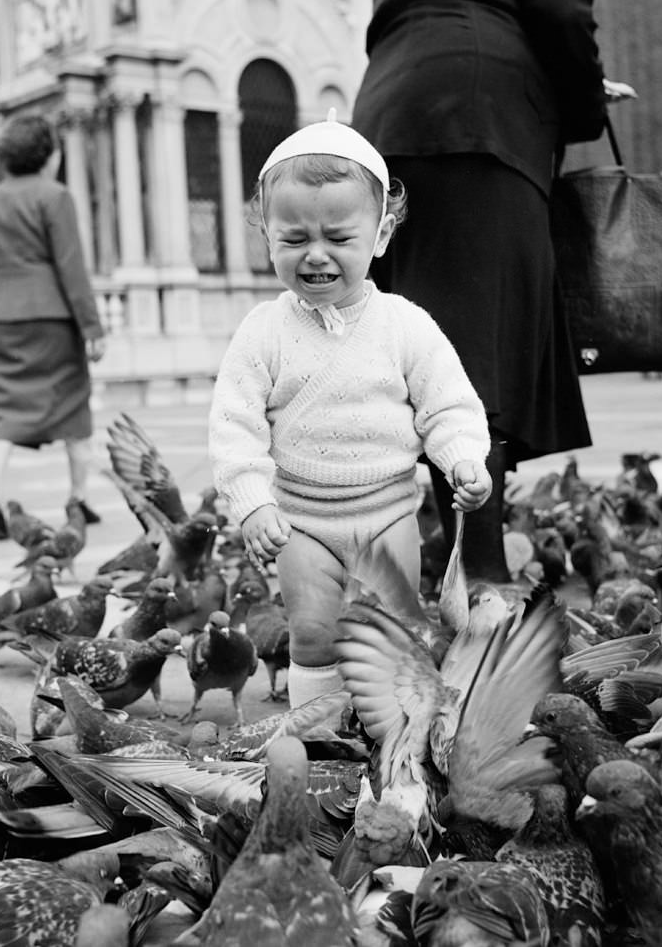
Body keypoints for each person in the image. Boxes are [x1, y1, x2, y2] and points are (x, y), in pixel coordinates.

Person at [208, 114, 492, 708]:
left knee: (390, 631)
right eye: (293, 240)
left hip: (387, 513)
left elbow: (447, 401)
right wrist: (251, 500)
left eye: (338, 239)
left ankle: (386, 723)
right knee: (312, 634)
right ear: (266, 234)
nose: (316, 256)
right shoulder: (263, 332)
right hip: (301, 520)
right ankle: (316, 724)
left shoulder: (404, 324)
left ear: (382, 234)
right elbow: (235, 424)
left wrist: (464, 459)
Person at [351, 0, 608, 583]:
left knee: (435, 359)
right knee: (475, 366)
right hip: (478, 118)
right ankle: (484, 584)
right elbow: (558, 9)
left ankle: (464, 559)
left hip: (389, 123)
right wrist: (585, 103)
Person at [0, 114, 106, 540]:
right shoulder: (55, 196)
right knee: (72, 407)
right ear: (49, 155)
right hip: (54, 318)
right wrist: (92, 327)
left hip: (3, 317)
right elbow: (71, 267)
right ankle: (78, 497)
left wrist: (8, 280)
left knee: (2, 406)